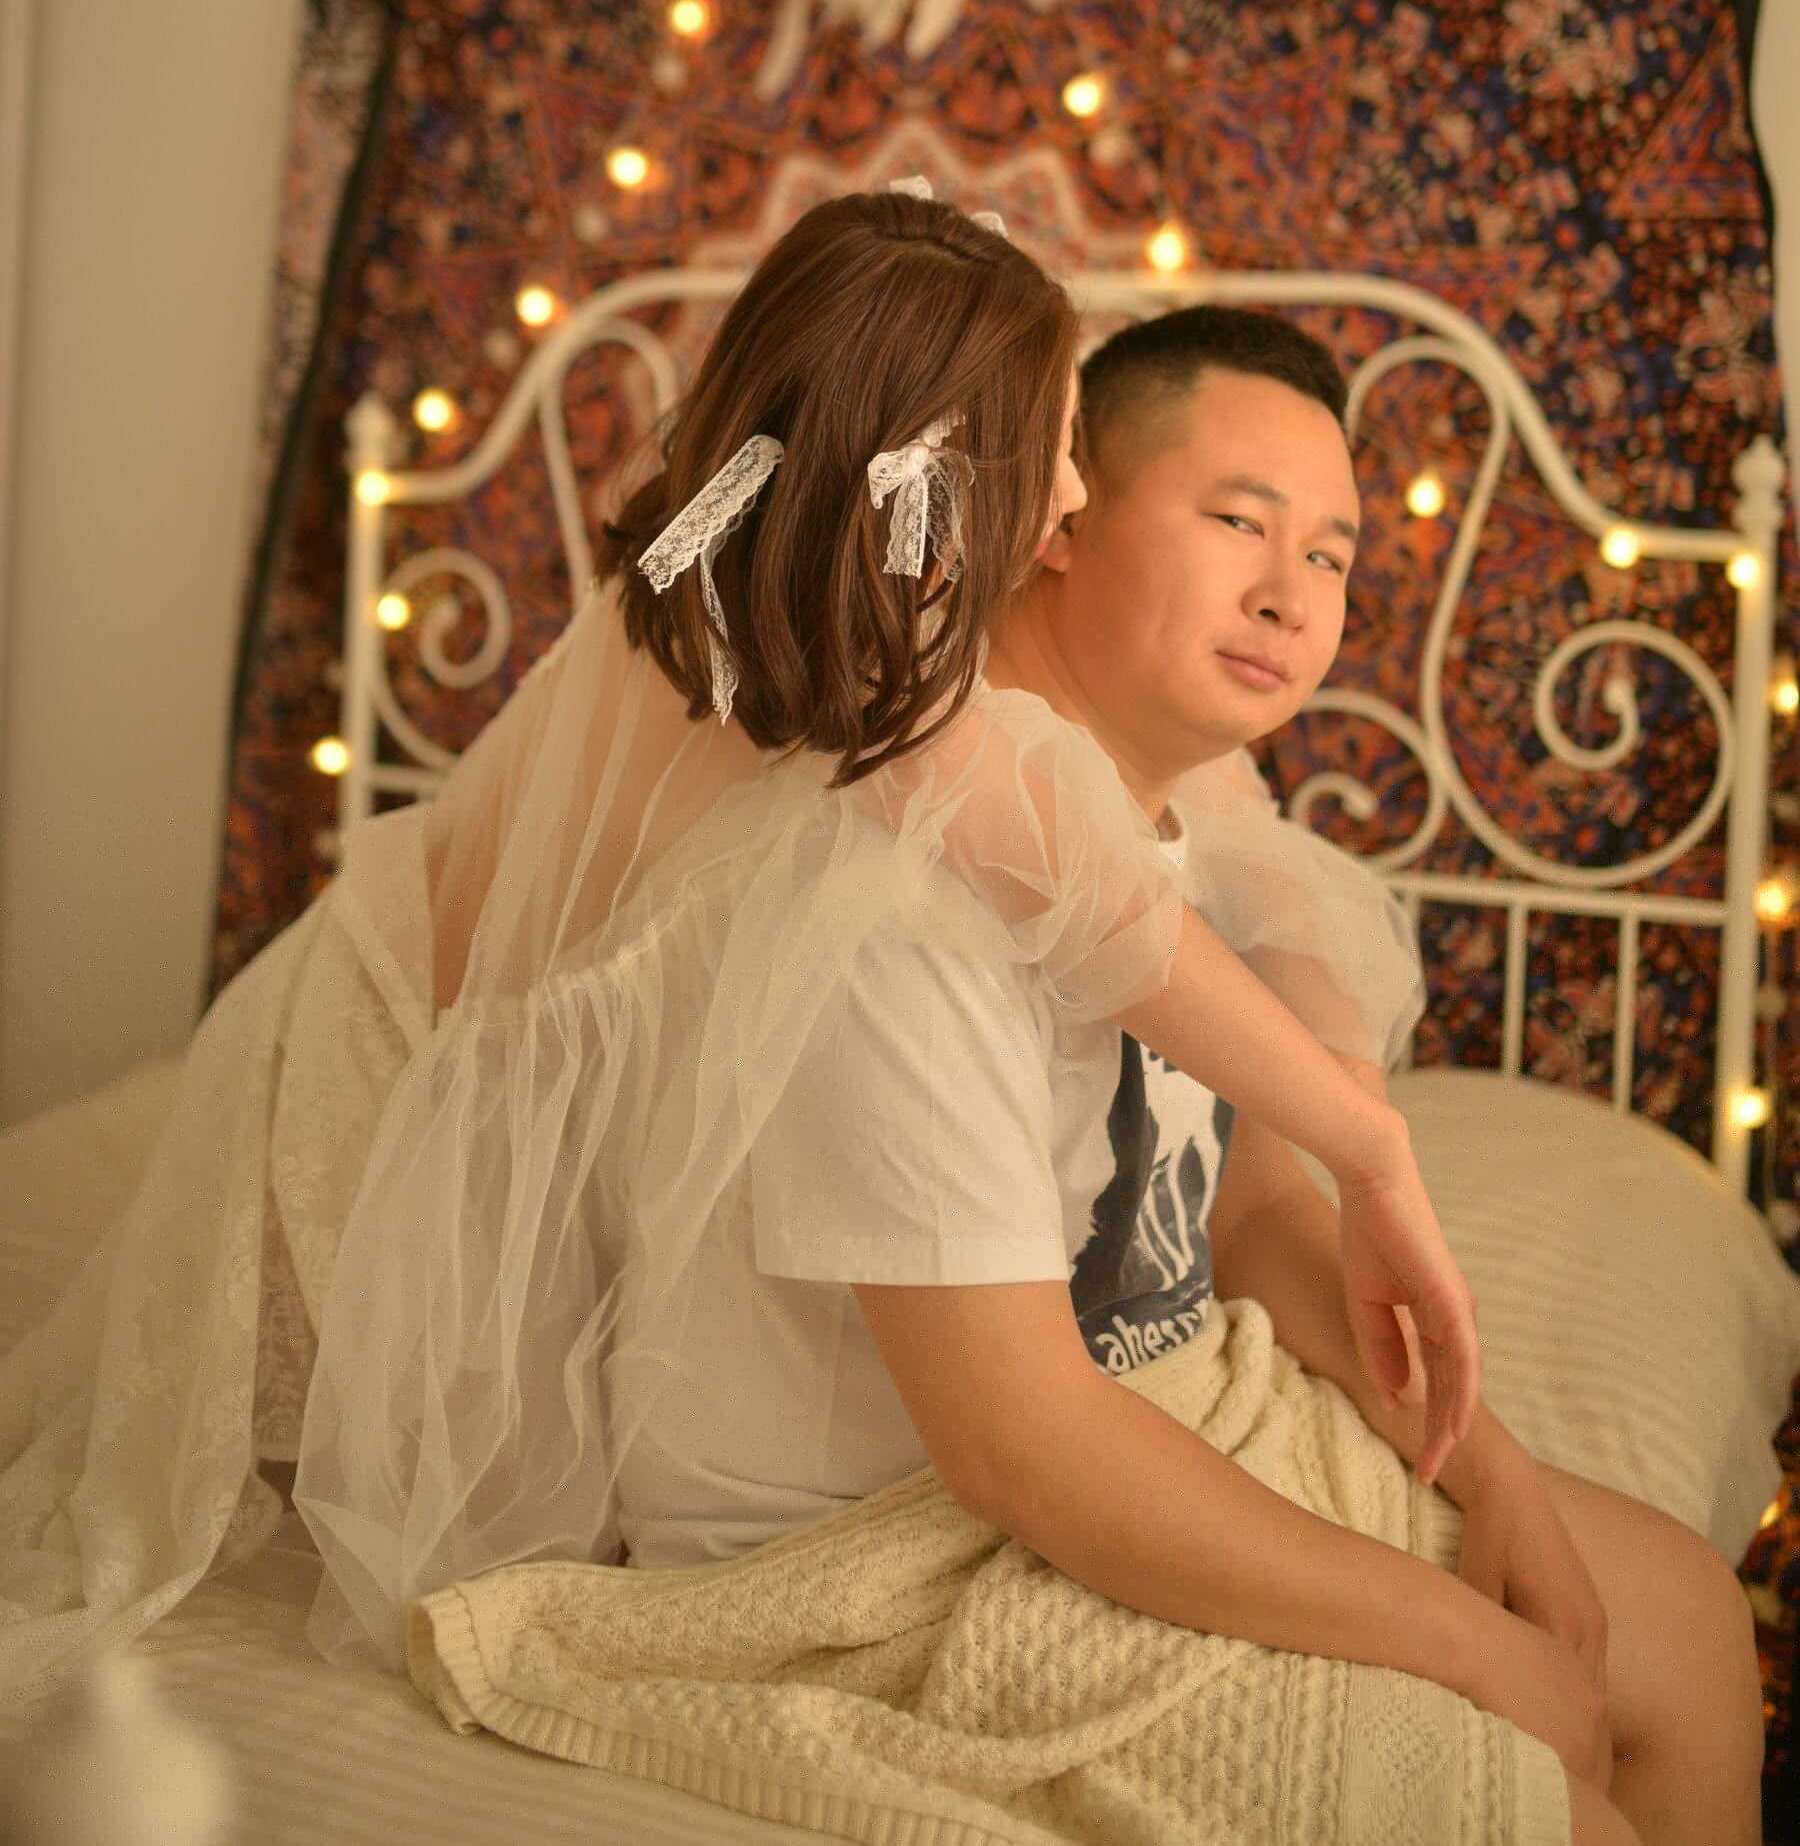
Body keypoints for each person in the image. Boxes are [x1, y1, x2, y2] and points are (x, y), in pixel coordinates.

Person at [0, 191, 1472, 1734]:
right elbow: (1103, 908)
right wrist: (1367, 1154)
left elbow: (1237, 845)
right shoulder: (884, 664)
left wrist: (1350, 1109)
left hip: (509, 1052)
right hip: (374, 1067)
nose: (1072, 495)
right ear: (933, 468)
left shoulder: (859, 581)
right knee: (201, 1451)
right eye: (1050, 443)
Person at [970, 302, 1764, 1846]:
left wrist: (1491, 1469)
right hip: (1012, 1486)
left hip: (1196, 1396)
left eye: (1330, 555)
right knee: (1548, 1805)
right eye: (1236, 522)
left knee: (1682, 1616)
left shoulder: (1197, 832)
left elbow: (1258, 1214)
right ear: (1061, 517)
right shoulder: (957, 837)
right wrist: (1448, 1629)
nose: (1291, 595)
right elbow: (1025, 1433)